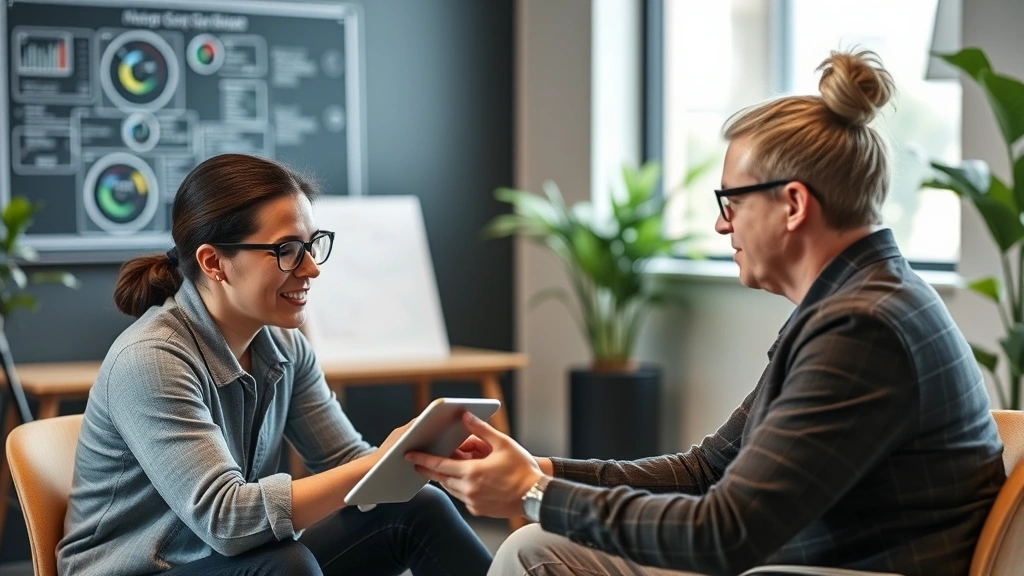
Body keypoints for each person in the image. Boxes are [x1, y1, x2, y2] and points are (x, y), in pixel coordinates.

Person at [407, 49, 1007, 576]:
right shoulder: (853, 304)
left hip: (828, 572)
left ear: (793, 204)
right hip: (803, 561)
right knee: (537, 548)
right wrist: (542, 469)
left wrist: (535, 493)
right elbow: (707, 470)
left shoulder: (862, 327)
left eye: (731, 201)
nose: (722, 222)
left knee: (536, 545)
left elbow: (724, 535)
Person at [57, 153, 492, 576]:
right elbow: (227, 521)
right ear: (213, 262)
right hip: (148, 570)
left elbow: (344, 462)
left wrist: (418, 457)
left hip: (232, 562)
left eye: (311, 245)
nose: (311, 269)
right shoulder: (151, 359)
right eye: (287, 249)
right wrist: (374, 465)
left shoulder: (286, 347)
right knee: (286, 564)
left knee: (418, 508)